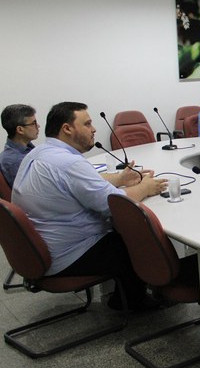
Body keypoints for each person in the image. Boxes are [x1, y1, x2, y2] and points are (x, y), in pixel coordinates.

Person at [12, 102, 167, 311]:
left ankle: (125, 295)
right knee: (142, 242)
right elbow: (114, 205)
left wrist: (120, 178)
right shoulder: (68, 163)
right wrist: (146, 188)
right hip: (68, 254)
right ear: (67, 129)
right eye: (87, 124)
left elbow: (81, 184)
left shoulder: (40, 153)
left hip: (42, 247)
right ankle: (131, 302)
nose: (93, 129)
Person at [1, 104, 39, 187]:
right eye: (34, 123)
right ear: (20, 130)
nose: (38, 126)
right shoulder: (14, 161)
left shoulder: (30, 150)